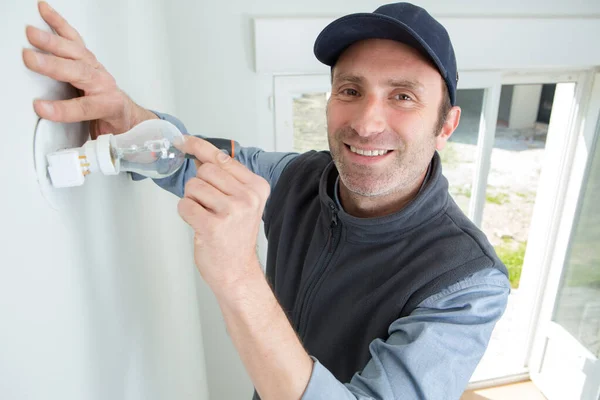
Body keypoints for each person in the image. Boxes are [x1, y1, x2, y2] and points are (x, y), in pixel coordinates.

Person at [24, 2, 510, 399]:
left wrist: (237, 275)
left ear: (445, 126)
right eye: (350, 89)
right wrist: (127, 116)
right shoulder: (301, 177)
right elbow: (201, 161)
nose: (366, 122)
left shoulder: (468, 283)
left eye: (403, 96)